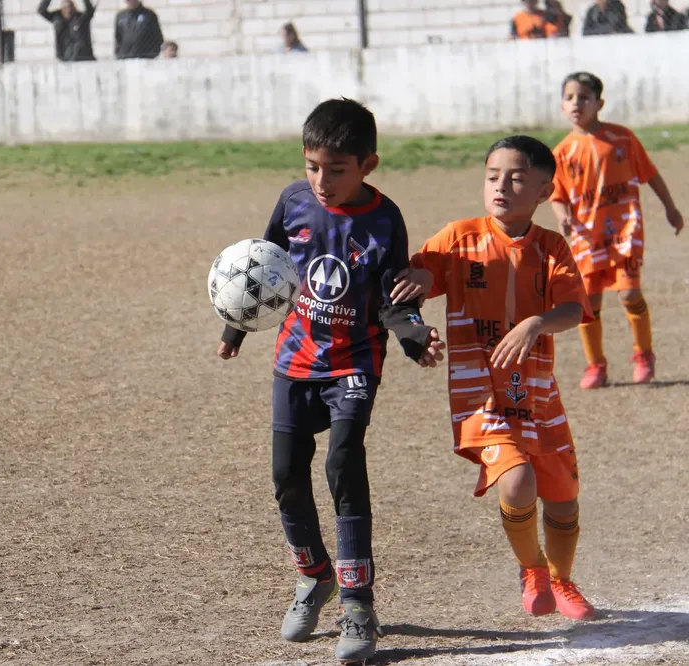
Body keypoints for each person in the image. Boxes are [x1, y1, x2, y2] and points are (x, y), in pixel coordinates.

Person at [216, 98, 445, 664]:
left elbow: (394, 293)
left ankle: (358, 601)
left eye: (337, 169)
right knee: (285, 476)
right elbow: (261, 269)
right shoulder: (293, 201)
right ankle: (314, 575)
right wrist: (235, 327)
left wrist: (414, 338)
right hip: (295, 360)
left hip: (354, 364)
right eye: (313, 166)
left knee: (343, 462)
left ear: (367, 164)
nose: (322, 180)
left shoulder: (384, 218)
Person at [393, 135, 596, 621]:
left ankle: (563, 580)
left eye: (517, 178)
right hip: (479, 396)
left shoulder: (551, 247)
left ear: (545, 192)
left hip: (538, 394)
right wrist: (418, 303)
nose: (501, 186)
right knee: (518, 482)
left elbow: (573, 307)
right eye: (492, 177)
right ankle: (532, 570)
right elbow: (409, 287)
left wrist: (537, 323)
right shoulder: (458, 239)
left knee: (564, 499)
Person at [549, 72, 684, 388]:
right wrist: (562, 216)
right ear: (561, 106)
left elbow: (650, 174)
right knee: (589, 303)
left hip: (626, 230)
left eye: (583, 97)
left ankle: (643, 354)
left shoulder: (622, 139)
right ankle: (596, 365)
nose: (576, 104)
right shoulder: (562, 152)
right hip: (587, 234)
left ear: (599, 103)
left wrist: (671, 208)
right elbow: (557, 194)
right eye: (569, 98)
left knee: (629, 294)